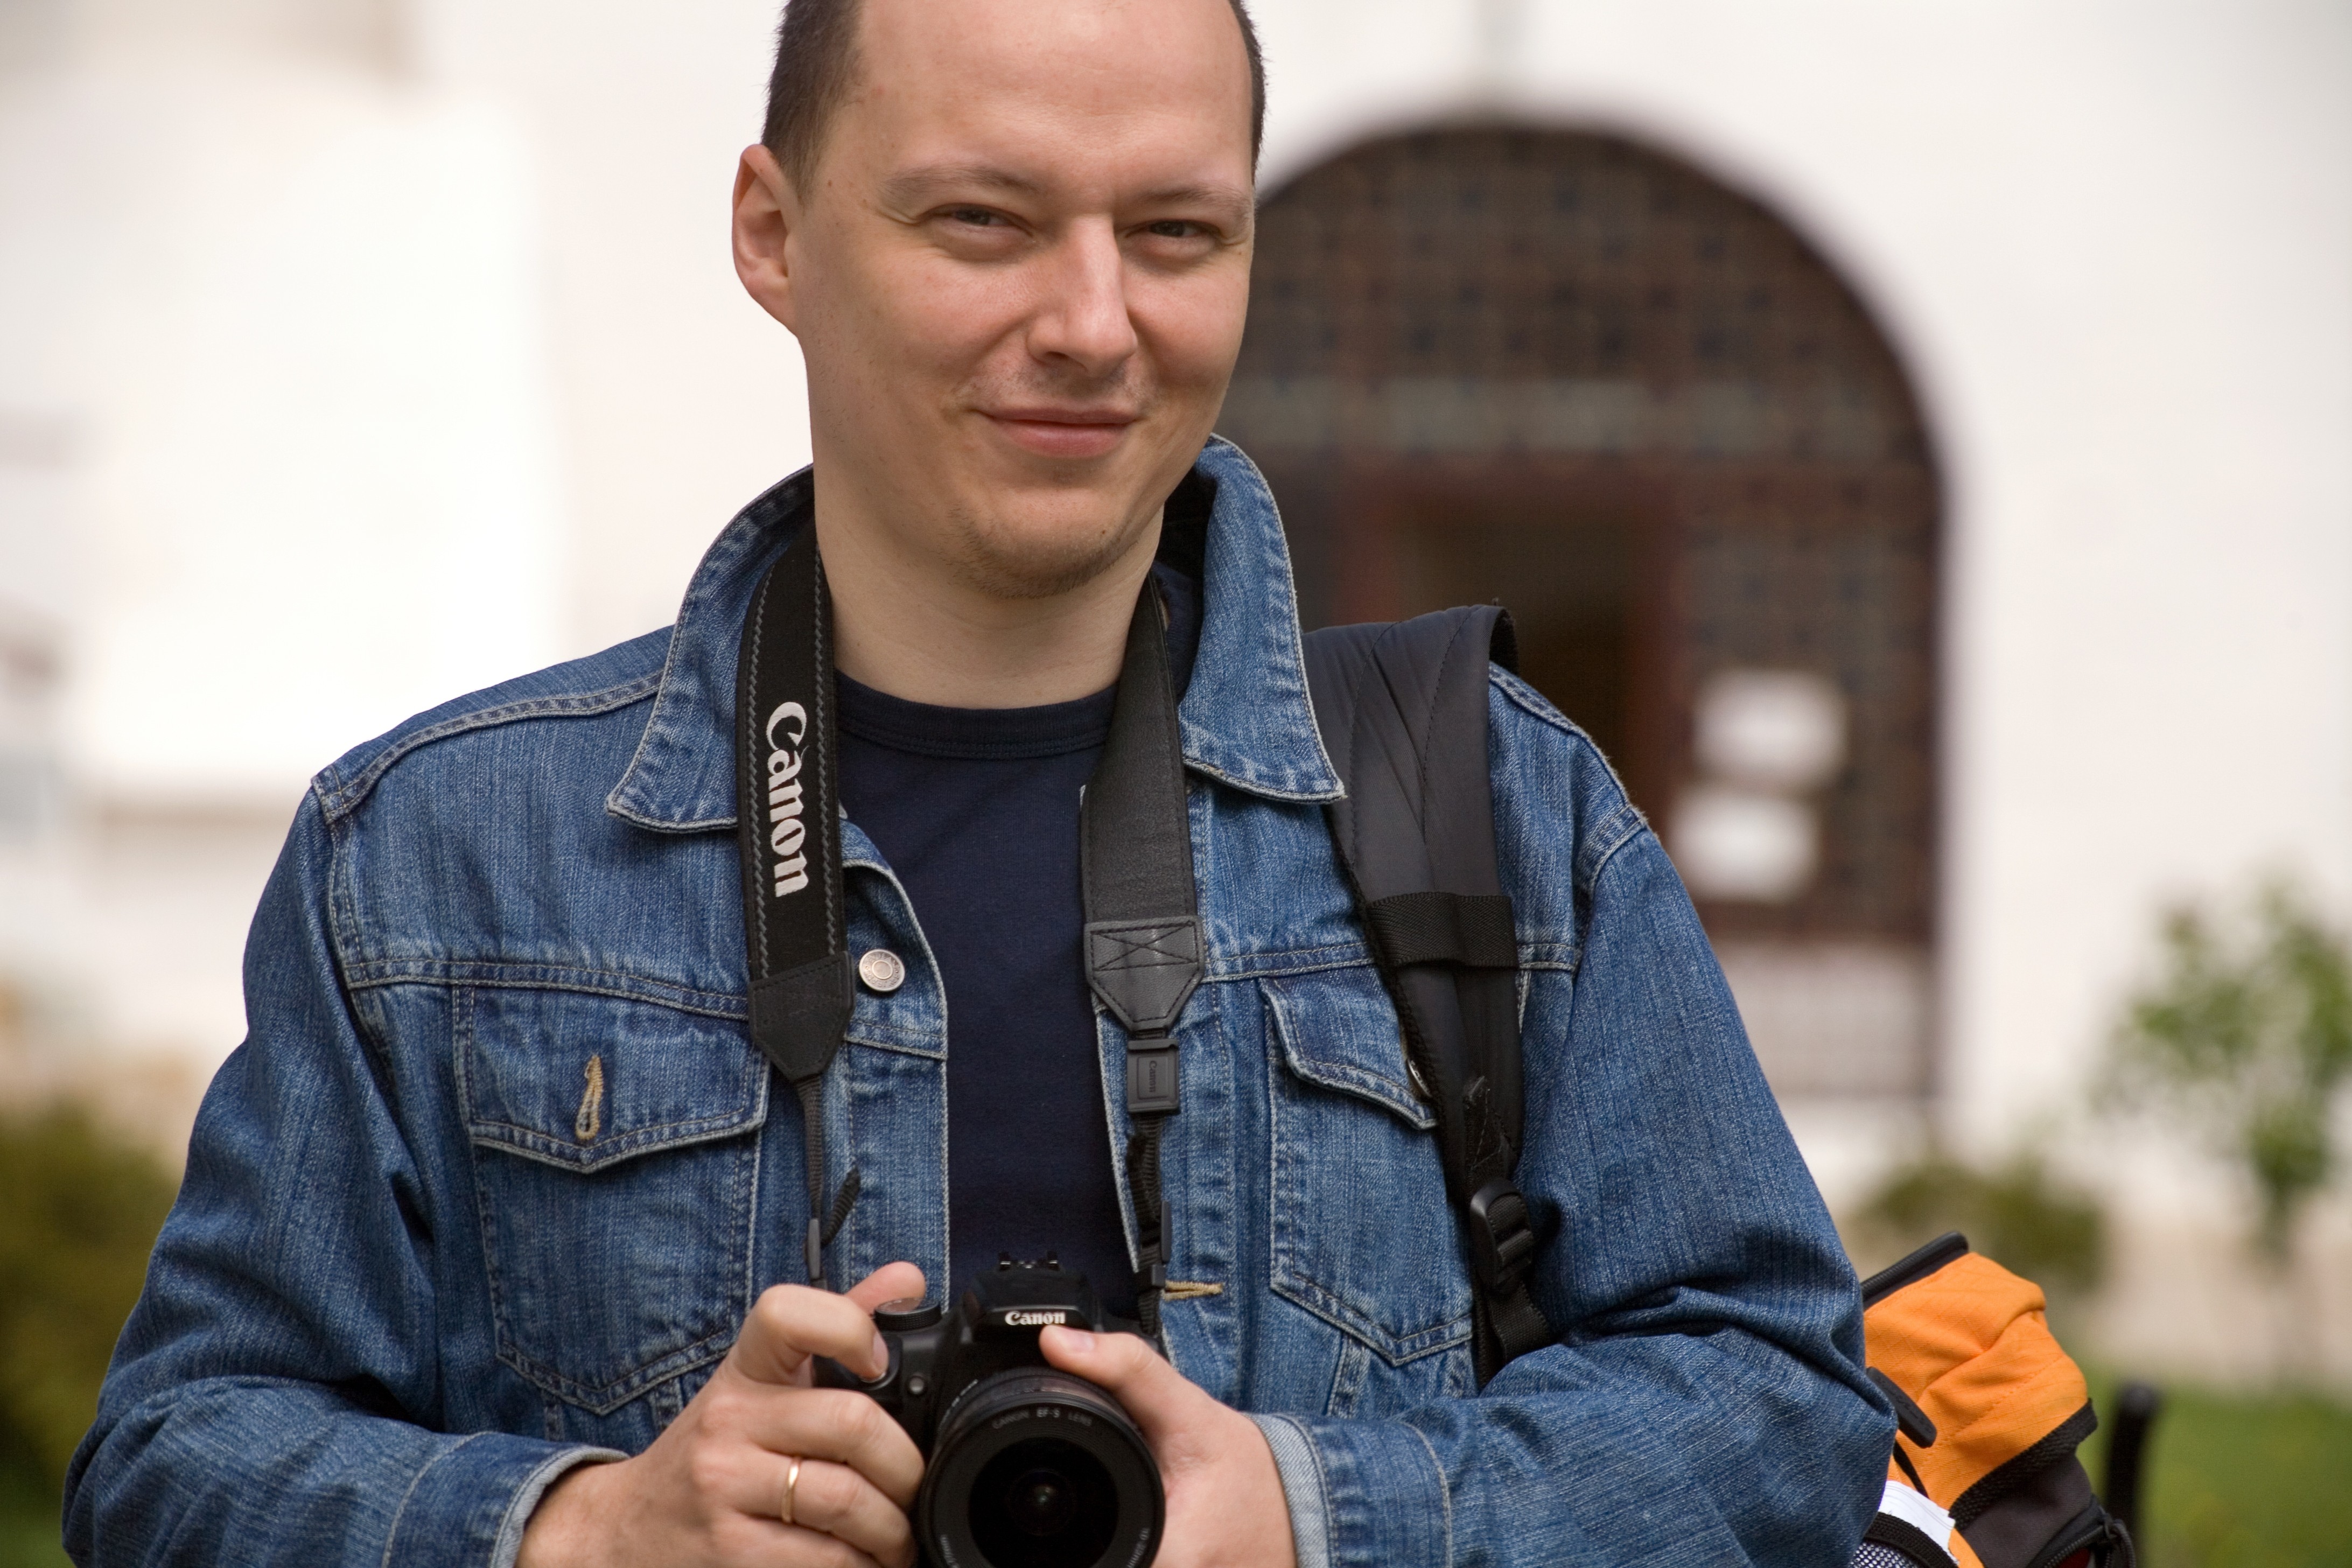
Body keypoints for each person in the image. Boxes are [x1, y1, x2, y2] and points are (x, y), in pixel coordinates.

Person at [65, 0, 1893, 1563]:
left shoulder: (1495, 809)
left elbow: (1784, 1403)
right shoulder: (436, 856)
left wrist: (1320, 1517)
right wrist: (589, 1531)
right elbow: (171, 1465)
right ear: (773, 233)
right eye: (984, 221)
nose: (1094, 321)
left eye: (1175, 232)